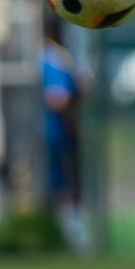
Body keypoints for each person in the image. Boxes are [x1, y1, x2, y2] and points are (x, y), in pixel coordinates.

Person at [42, 17, 85, 246]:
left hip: (55, 131)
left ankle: (68, 228)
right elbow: (60, 97)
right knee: (64, 182)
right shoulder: (54, 58)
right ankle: (68, 229)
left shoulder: (56, 58)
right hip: (56, 131)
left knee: (63, 182)